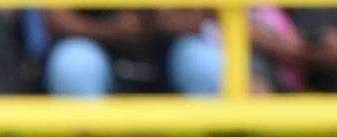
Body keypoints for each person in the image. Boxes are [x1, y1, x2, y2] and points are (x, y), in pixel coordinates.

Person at [41, 8, 222, 96]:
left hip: (167, 47)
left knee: (205, 64)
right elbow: (54, 20)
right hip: (93, 43)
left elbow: (201, 17)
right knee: (74, 65)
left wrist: (160, 21)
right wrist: (112, 30)